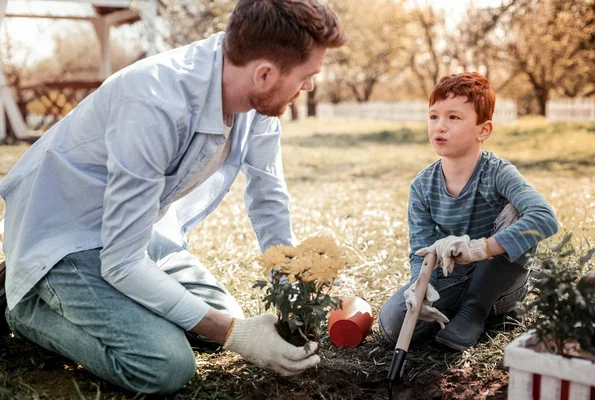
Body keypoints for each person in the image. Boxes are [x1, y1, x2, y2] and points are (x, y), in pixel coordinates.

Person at [0, 0, 347, 394]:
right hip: (65, 236)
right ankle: (21, 305)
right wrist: (236, 335)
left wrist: (289, 290)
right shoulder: (153, 103)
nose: (311, 86)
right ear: (264, 73)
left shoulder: (254, 98)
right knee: (166, 364)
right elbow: (121, 262)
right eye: (307, 75)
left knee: (221, 318)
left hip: (135, 231)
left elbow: (268, 195)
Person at [378, 72, 559, 351]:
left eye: (453, 117)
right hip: (455, 276)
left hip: (499, 274)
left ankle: (478, 311)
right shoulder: (422, 185)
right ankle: (478, 314)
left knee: (518, 212)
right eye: (434, 116)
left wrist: (479, 249)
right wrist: (420, 286)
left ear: (483, 130)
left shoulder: (498, 173)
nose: (440, 126)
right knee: (392, 324)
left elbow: (544, 218)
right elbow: (421, 249)